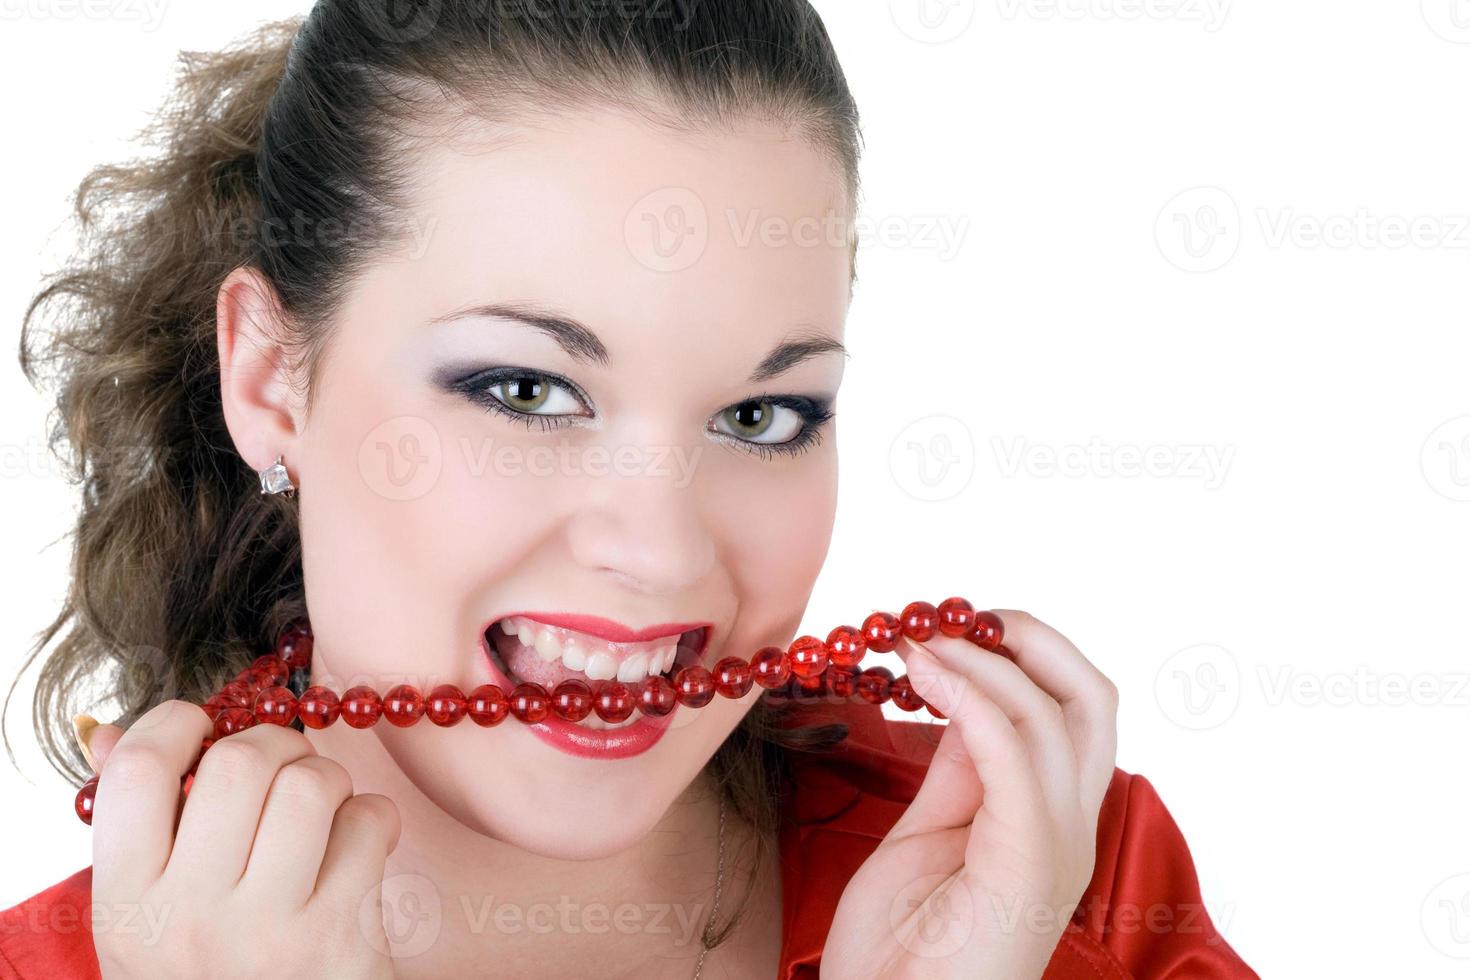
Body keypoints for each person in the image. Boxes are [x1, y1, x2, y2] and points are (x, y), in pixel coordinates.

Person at [1, 3, 1257, 977]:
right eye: (527, 392)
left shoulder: (1054, 887)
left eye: (761, 416)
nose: (661, 552)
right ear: (273, 379)